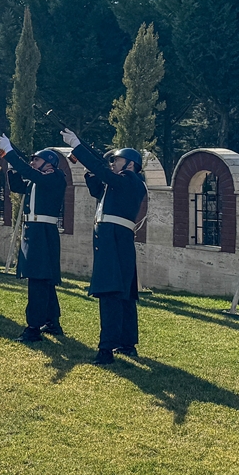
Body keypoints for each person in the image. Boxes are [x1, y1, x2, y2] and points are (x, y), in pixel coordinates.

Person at [63, 129, 147, 364]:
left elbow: (105, 176)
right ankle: (126, 343)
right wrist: (90, 170)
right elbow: (97, 190)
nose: (113, 164)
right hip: (117, 240)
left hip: (114, 239)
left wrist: (78, 147)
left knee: (111, 292)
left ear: (130, 164)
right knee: (123, 294)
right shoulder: (119, 184)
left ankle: (106, 349)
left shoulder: (130, 180)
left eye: (116, 160)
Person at [0, 134, 67, 342]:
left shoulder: (54, 177)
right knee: (43, 279)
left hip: (43, 232)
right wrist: (12, 166)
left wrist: (11, 154)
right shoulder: (38, 181)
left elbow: (31, 174)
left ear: (49, 163)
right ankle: (52, 321)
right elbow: (18, 186)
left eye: (36, 159)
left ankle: (33, 328)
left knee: (38, 279)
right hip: (34, 231)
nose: (32, 163)